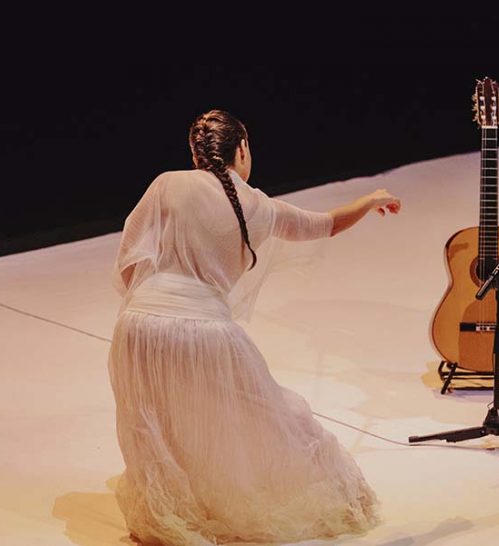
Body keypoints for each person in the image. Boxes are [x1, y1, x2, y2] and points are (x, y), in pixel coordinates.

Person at [108, 109, 400, 544]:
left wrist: (151, 309)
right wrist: (368, 200)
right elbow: (325, 225)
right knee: (273, 414)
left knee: (160, 423)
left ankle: (173, 508)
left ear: (196, 154)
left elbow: (130, 258)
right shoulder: (259, 207)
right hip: (205, 329)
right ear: (241, 149)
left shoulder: (168, 183)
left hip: (137, 327)